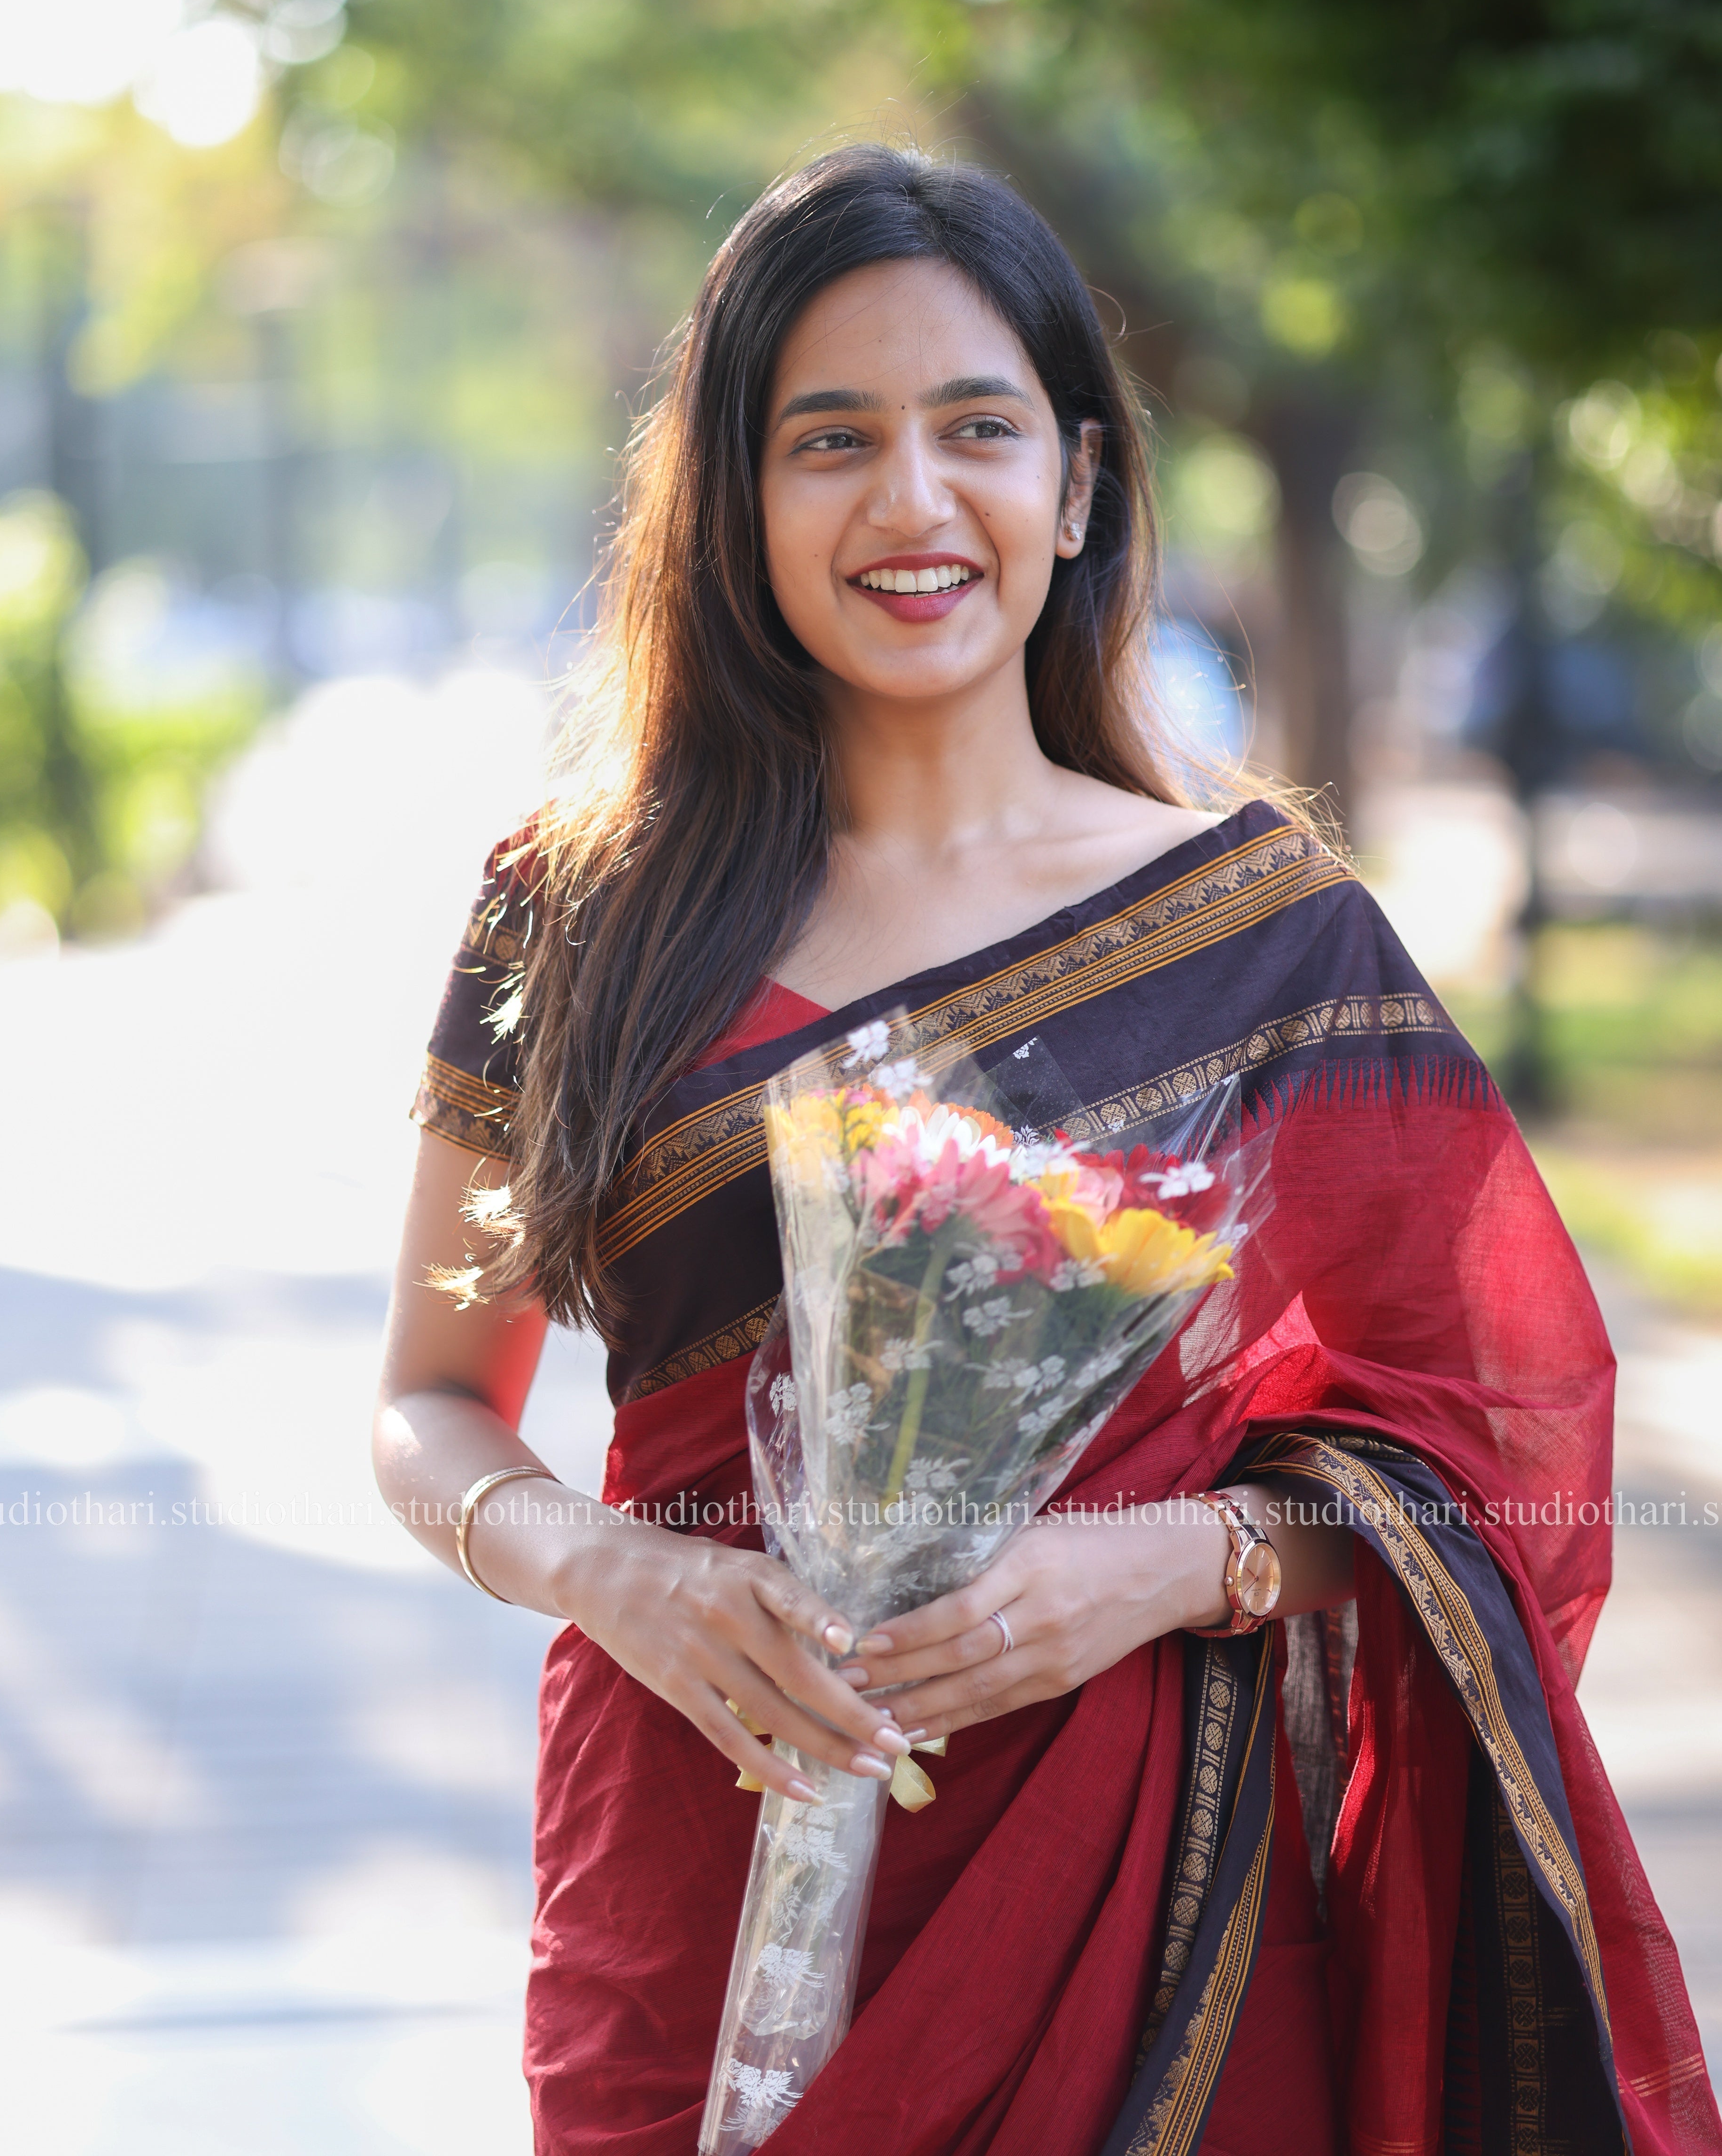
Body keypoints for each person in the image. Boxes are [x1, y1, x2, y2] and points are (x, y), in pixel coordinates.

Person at [374, 146, 1716, 2156]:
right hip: (693, 1847)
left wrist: (1177, 1560)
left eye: (976, 429)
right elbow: (424, 1399)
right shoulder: (575, 913)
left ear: (1076, 485)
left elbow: (1496, 1447)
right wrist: (621, 1575)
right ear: (736, 499)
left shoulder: (1264, 932)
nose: (911, 504)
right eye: (830, 440)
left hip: (1154, 1897)